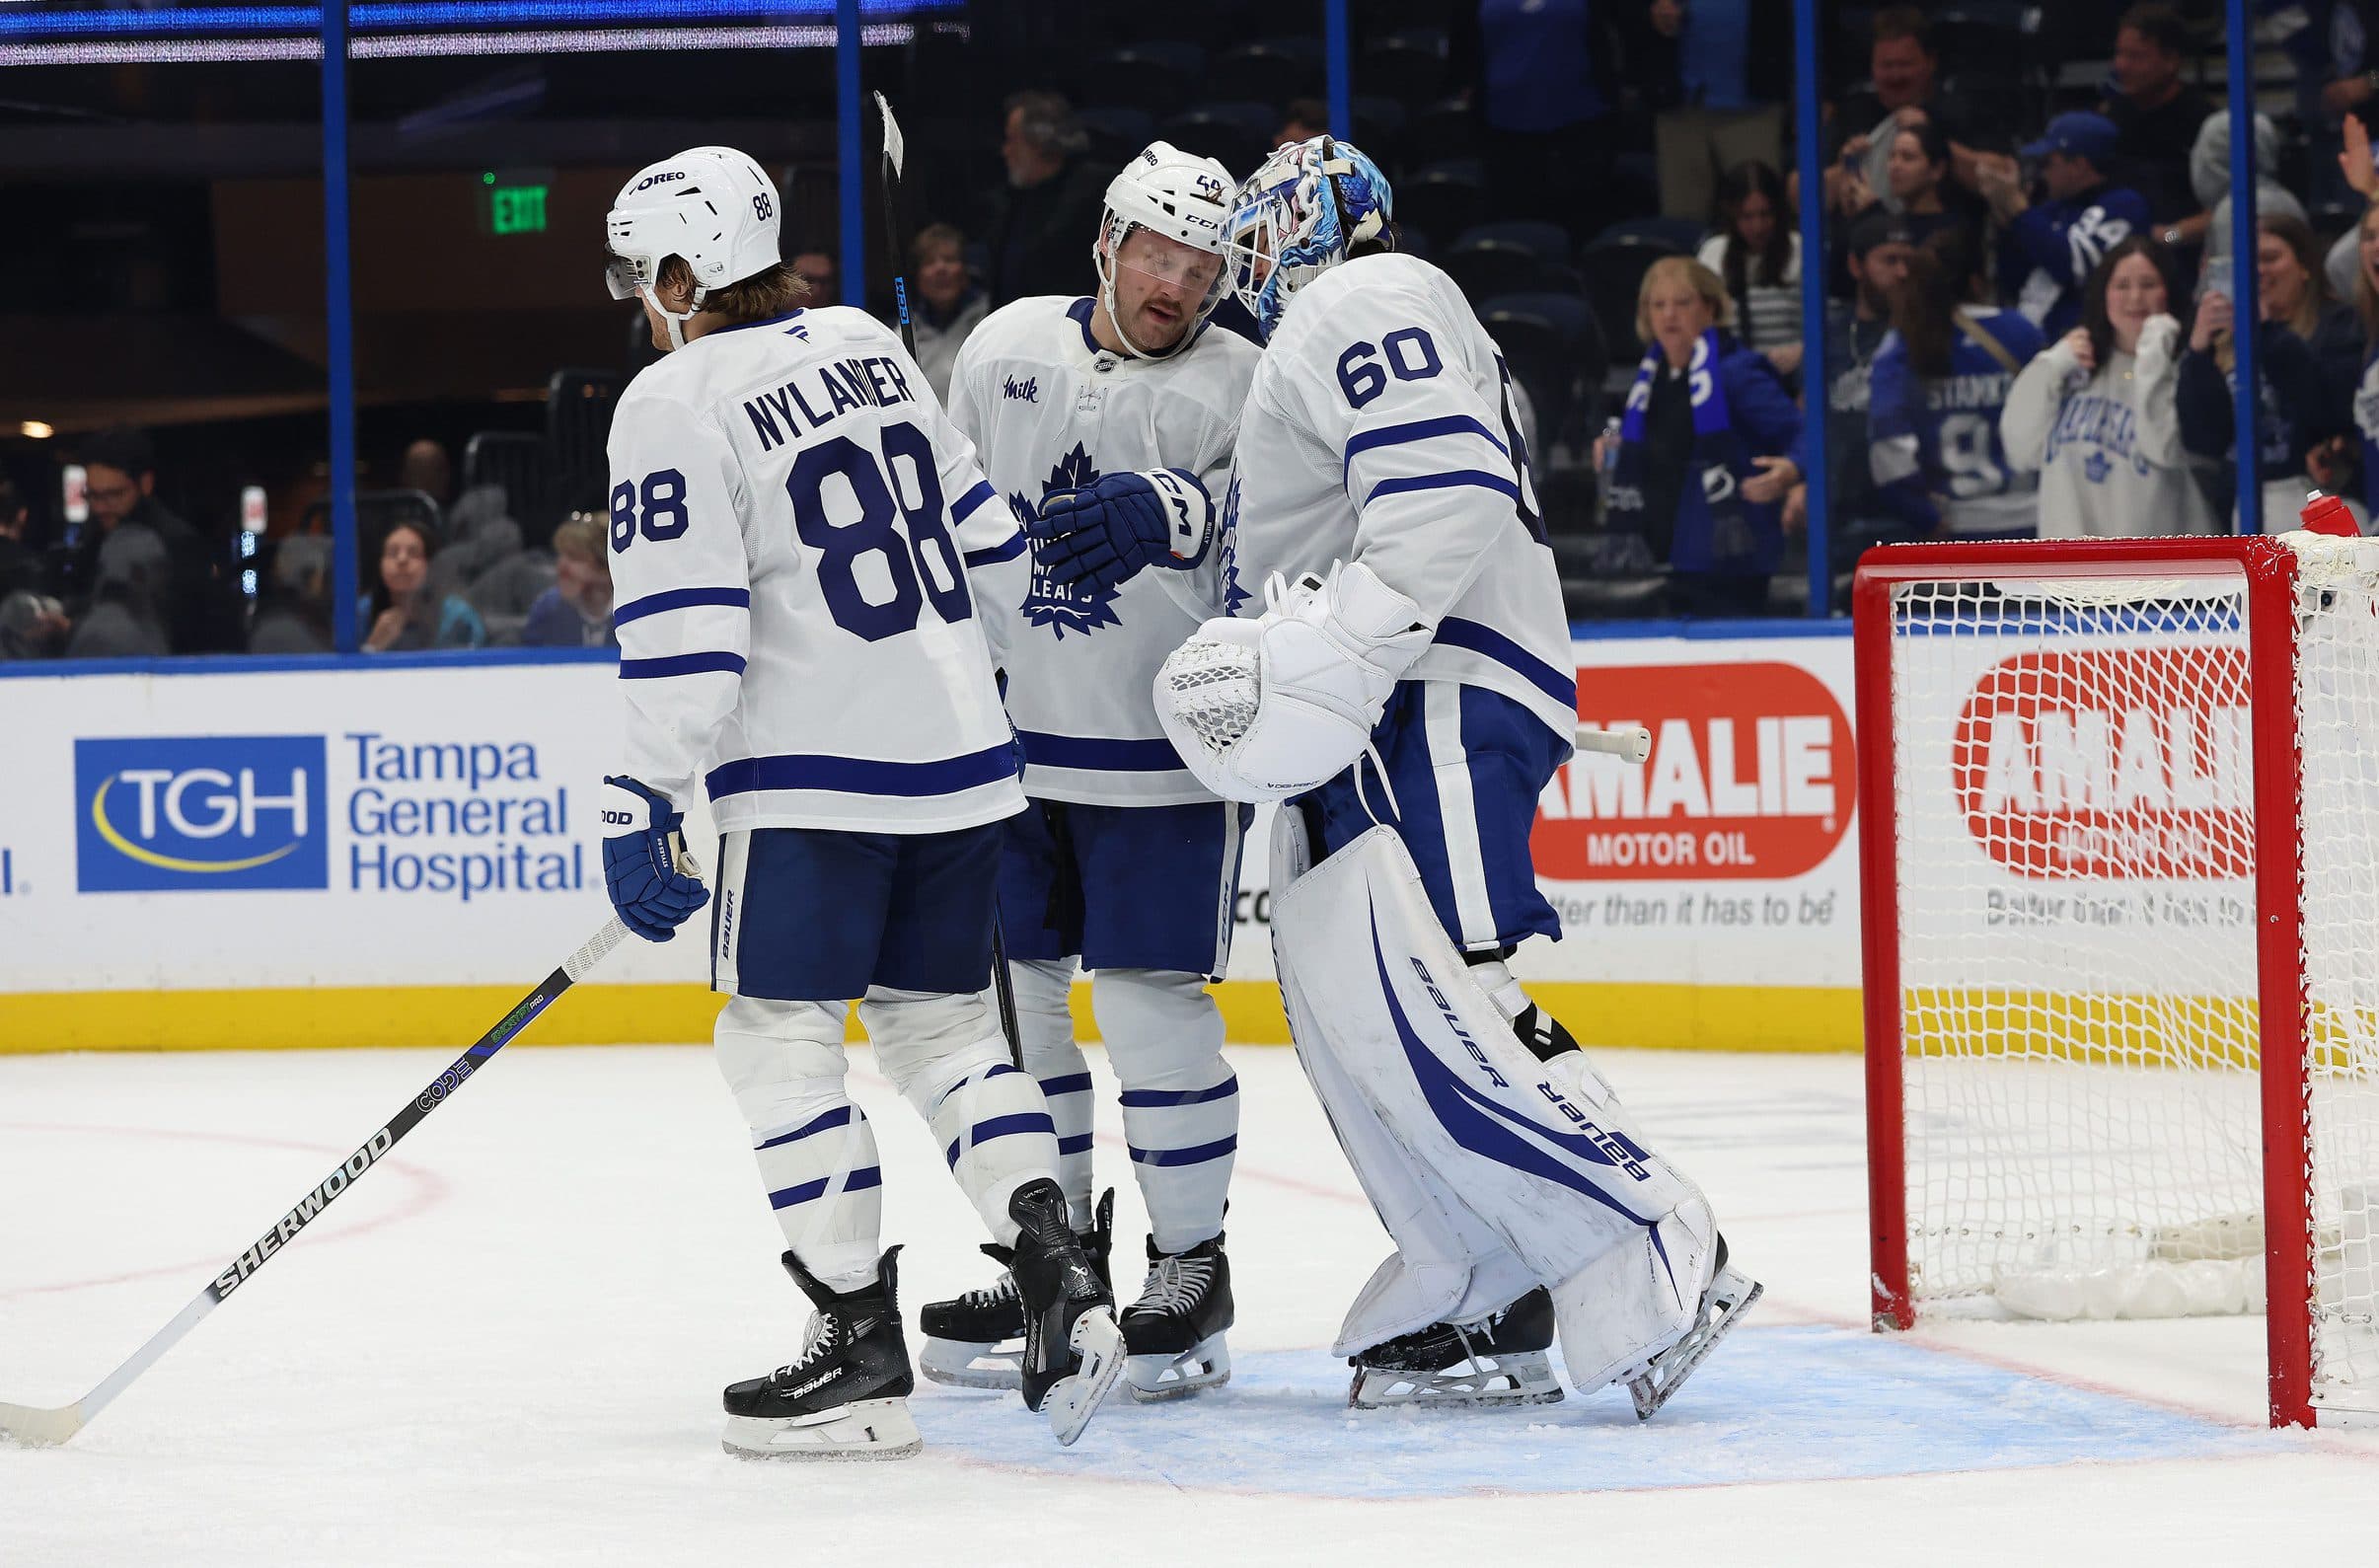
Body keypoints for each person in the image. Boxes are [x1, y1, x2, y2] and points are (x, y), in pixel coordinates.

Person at [1059, 135, 1760, 1416]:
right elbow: (1318, 508)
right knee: (1364, 1008)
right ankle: (1487, 1275)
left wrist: (1331, 649)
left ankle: (1646, 1242)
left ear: (1319, 221)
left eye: (1266, 217)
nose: (1245, 253)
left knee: (1444, 990)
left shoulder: (1362, 295)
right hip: (1388, 703)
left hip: (1418, 689)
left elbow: (1441, 490)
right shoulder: (1352, 328)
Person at [595, 144, 1122, 1458]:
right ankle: (1054, 1259)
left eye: (638, 278)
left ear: (681, 272)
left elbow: (690, 640)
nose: (632, 304)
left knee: (775, 1039)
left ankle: (855, 1341)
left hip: (810, 777)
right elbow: (989, 543)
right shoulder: (868, 344)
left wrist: (638, 796)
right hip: (960, 758)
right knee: (943, 1035)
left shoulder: (672, 398)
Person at [919, 142, 1259, 1405]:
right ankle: (1052, 1258)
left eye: (1199, 266)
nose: (1173, 282)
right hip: (1013, 751)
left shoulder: (1242, 383)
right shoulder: (1003, 345)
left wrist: (1175, 507)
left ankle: (1191, 1265)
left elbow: (1279, 539)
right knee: (1018, 1009)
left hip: (1163, 758)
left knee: (1151, 1005)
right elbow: (943, 516)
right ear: (1106, 242)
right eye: (1155, 254)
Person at [1598, 256, 1805, 616]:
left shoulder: (1735, 372)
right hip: (1663, 557)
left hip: (1728, 563)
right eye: (1658, 305)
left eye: (1683, 302)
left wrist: (1794, 471)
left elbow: (1804, 434)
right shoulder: (1648, 382)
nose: (1669, 315)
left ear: (1710, 308)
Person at [2001, 235, 2214, 538]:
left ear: (2168, 291)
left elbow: (2164, 448)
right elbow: (2020, 451)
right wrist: (2050, 365)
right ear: (2104, 294)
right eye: (2122, 286)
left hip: (2162, 572)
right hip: (2069, 571)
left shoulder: (2187, 368)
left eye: (2149, 284)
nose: (2135, 298)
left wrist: (2155, 352)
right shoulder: (2074, 369)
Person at [1869, 228, 2045, 542]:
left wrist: (1922, 515)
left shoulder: (1902, 344)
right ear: (1978, 281)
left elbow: (1890, 449)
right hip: (2031, 522)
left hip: (1953, 533)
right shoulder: (2022, 332)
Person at [2177, 261, 2337, 531]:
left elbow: (2317, 413)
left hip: (2298, 490)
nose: (2259, 273)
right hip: (2234, 503)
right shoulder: (2206, 353)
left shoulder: (2310, 335)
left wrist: (2262, 328)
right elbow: (2201, 439)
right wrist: (2198, 350)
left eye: (2269, 259)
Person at [59, 426, 237, 653]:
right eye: (93, 495)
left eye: (114, 495)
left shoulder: (178, 544)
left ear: (145, 484)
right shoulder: (91, 540)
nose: (100, 507)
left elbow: (192, 629)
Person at [1978, 112, 2150, 338]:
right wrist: (2005, 215)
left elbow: (2073, 267)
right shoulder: (2052, 209)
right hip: (2035, 336)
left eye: (2047, 162)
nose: (2042, 171)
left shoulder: (2124, 205)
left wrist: (2019, 209)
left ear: (2079, 165)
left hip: (2086, 342)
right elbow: (2011, 278)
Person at [1821, 213, 1920, 546]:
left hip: (1908, 512)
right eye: (1889, 261)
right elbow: (1806, 413)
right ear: (1855, 265)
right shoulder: (1828, 335)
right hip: (1841, 509)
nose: (1902, 273)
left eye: (1908, 261)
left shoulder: (1926, 334)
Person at [983, 92, 1109, 307]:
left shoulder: (1097, 192)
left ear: (1041, 143)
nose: (1006, 151)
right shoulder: (1011, 198)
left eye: (1013, 140)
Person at [2099, 3, 2213, 228]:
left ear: (2171, 61)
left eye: (2135, 56)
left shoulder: (2204, 122)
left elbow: (2222, 213)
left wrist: (2170, 237)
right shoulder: (2112, 116)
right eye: (2119, 53)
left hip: (2176, 248)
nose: (2121, 65)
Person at [1695, 162, 1801, 363]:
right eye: (1746, 217)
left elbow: (1828, 326)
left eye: (1765, 214)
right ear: (1731, 215)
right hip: (1731, 377)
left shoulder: (1800, 250)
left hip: (1792, 377)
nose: (1758, 227)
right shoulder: (1712, 253)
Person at [2188, 112, 2305, 264]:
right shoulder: (2287, 199)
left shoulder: (2235, 208)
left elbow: (2226, 281)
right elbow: (2177, 235)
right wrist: (2176, 233)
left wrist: (2169, 235)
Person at [359, 519, 484, 652]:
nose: (402, 560)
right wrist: (372, 646)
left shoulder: (458, 617)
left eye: (413, 553)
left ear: (431, 566)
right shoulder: (361, 613)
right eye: (392, 553)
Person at [909, 223, 988, 403]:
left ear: (965, 271)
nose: (940, 269)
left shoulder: (990, 324)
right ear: (918, 277)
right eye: (929, 262)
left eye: (950, 259)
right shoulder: (899, 333)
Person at [519, 515, 615, 648]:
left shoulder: (631, 610)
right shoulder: (548, 610)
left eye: (574, 557)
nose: (561, 566)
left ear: (605, 567)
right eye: (561, 555)